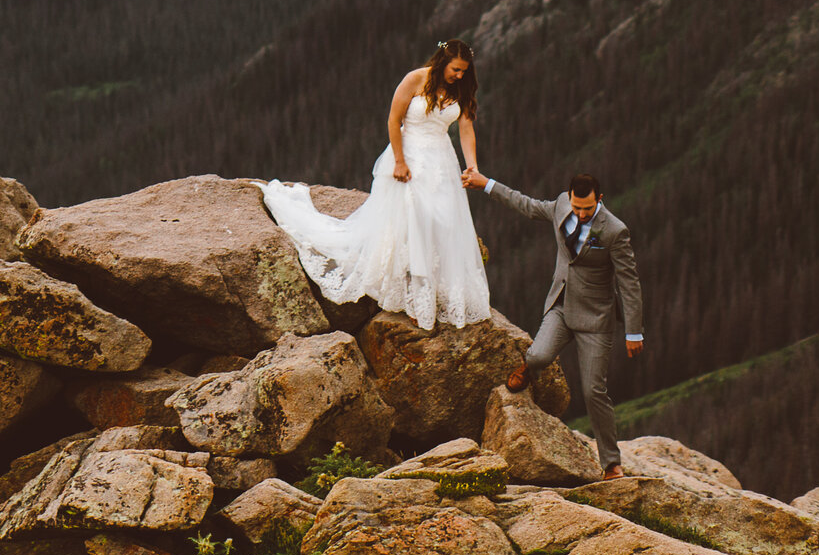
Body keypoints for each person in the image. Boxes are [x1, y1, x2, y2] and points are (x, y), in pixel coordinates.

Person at [260, 40, 494, 331]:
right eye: (456, 69)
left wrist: (471, 166)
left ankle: (434, 287)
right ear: (443, 61)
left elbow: (467, 128)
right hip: (409, 153)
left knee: (441, 222)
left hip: (441, 160)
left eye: (464, 71)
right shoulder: (415, 79)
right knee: (414, 218)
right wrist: (399, 160)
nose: (459, 76)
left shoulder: (462, 89)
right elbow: (394, 120)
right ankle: (414, 297)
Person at [463, 167, 644, 478]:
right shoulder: (561, 204)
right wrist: (487, 184)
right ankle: (528, 369)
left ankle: (611, 463)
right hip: (561, 305)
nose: (582, 213)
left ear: (599, 200)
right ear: (570, 198)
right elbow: (528, 205)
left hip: (596, 319)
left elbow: (630, 283)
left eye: (588, 208)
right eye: (577, 207)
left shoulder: (615, 231)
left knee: (593, 391)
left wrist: (634, 331)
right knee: (538, 355)